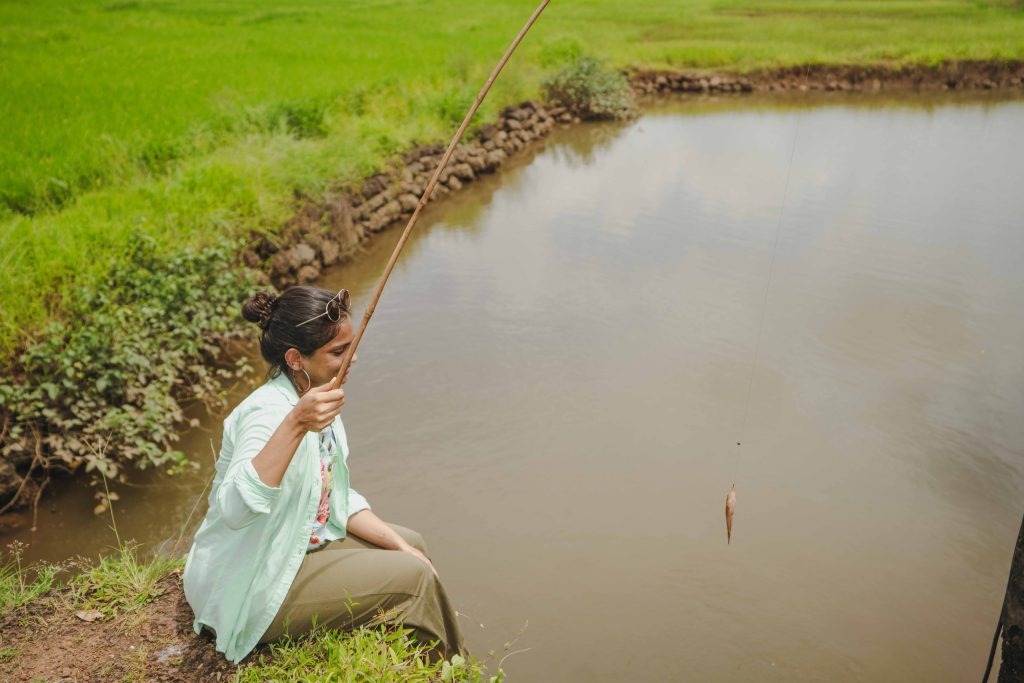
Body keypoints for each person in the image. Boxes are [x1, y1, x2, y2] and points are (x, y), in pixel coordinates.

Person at [183, 285, 466, 664]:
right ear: (296, 358)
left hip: (291, 546)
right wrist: (296, 424)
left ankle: (427, 658)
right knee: (415, 580)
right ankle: (451, 667)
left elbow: (335, 500)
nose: (352, 359)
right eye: (338, 352)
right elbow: (234, 509)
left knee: (411, 542)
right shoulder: (268, 415)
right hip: (248, 583)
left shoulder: (317, 398)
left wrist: (399, 546)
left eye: (350, 347)